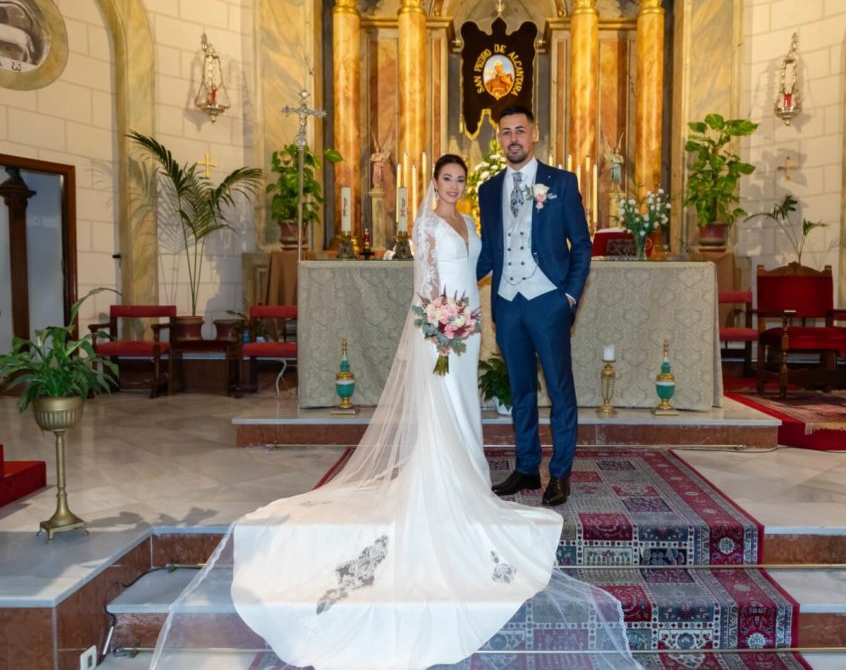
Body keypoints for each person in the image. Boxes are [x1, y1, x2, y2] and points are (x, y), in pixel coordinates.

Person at [149, 155, 635, 670]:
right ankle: (445, 480)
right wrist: (440, 321)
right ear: (434, 182)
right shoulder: (427, 224)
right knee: (446, 404)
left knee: (471, 404)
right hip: (445, 326)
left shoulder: (470, 221)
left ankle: (483, 474)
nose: (454, 185)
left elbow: (485, 260)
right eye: (447, 179)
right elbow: (426, 281)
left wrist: (492, 307)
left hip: (471, 322)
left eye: (460, 179)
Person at [477, 105, 592, 507]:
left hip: (548, 301)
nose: (513, 138)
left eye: (520, 130)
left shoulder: (562, 182)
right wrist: (452, 282)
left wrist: (569, 296)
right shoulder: (488, 190)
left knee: (560, 389)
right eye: (506, 132)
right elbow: (490, 250)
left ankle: (560, 473)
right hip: (508, 303)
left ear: (535, 133)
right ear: (499, 138)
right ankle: (527, 466)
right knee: (520, 390)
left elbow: (582, 245)